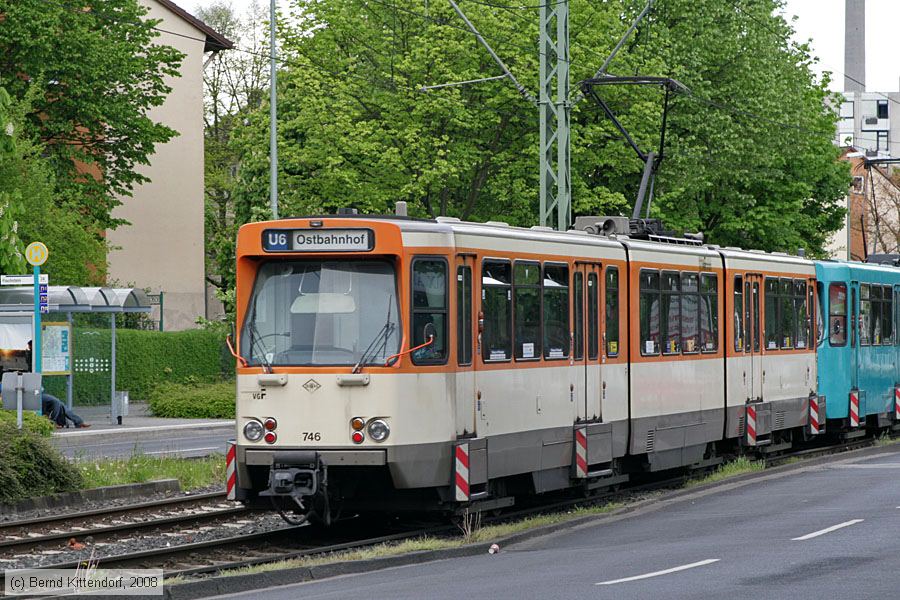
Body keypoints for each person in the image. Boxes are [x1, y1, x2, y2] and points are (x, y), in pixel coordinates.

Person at [25, 341, 89, 429]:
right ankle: (53, 422)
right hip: (34, 394)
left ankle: (78, 422)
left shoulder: (35, 358)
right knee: (56, 401)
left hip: (38, 392)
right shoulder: (31, 358)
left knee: (60, 403)